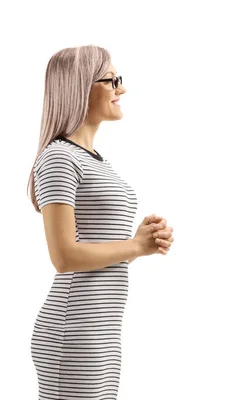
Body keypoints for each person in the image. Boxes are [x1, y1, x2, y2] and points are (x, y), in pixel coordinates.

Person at [27, 45, 175, 400]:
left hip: (101, 332)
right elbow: (64, 256)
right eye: (111, 80)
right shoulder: (60, 157)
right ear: (80, 86)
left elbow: (98, 251)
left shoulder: (96, 161)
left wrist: (142, 245)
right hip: (75, 330)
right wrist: (135, 245)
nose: (120, 89)